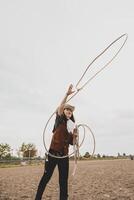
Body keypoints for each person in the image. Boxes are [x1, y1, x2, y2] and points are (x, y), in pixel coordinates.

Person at [35, 84, 78, 200]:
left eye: (71, 110)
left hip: (64, 156)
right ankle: (37, 198)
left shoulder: (71, 126)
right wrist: (67, 94)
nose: (69, 111)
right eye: (67, 109)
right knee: (46, 177)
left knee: (63, 180)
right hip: (53, 153)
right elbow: (60, 107)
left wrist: (75, 136)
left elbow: (72, 143)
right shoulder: (59, 120)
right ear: (63, 111)